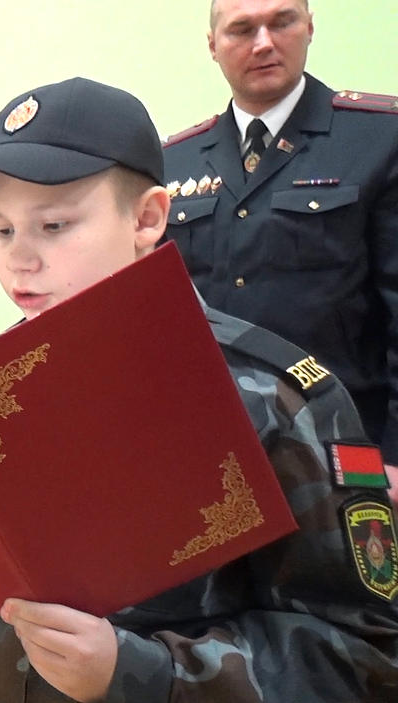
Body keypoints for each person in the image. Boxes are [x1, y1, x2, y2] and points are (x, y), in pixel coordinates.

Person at [0, 75, 398, 703]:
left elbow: (366, 660)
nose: (19, 261)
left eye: (55, 224)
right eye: (3, 230)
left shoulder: (275, 400)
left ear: (147, 217)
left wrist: (145, 674)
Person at [162, 0, 398, 492]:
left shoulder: (379, 138)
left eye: (282, 22)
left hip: (345, 450)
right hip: (219, 458)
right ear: (213, 46)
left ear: (309, 27)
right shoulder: (174, 164)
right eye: (242, 29)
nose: (264, 42)